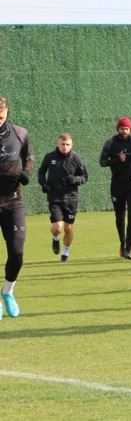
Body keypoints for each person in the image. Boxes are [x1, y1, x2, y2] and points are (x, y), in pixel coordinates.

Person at [0, 96, 33, 319]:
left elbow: (29, 156)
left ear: (6, 113)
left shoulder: (19, 133)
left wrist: (26, 172)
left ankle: (8, 291)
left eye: (1, 115)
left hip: (13, 202)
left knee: (17, 253)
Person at [37, 133, 88, 263]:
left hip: (71, 198)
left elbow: (84, 177)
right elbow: (41, 172)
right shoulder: (50, 157)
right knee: (58, 228)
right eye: (63, 144)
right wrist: (43, 183)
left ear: (71, 145)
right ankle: (55, 238)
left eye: (67, 144)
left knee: (68, 228)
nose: (65, 147)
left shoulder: (76, 158)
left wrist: (75, 179)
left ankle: (65, 252)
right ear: (58, 144)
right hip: (54, 197)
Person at [99, 117, 131, 259]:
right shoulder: (110, 143)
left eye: (126, 129)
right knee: (119, 216)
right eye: (122, 128)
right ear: (118, 129)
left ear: (130, 129)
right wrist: (117, 160)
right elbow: (102, 162)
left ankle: (129, 247)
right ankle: (122, 243)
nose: (124, 131)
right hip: (117, 184)